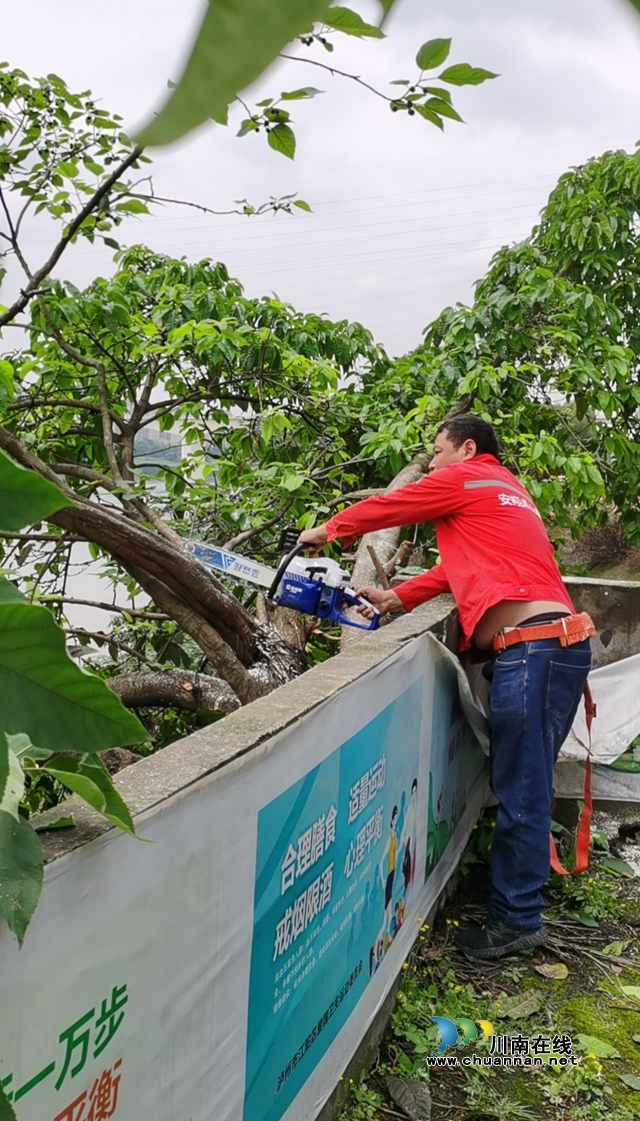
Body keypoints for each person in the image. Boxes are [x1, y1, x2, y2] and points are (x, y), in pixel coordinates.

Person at [298, 414, 594, 959]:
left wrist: (329, 530)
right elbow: (469, 571)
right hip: (558, 647)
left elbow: (394, 504)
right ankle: (517, 904)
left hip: (534, 650)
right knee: (526, 784)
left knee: (522, 789)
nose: (431, 464)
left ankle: (517, 919)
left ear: (467, 448)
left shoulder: (466, 476)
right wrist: (400, 597)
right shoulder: (508, 491)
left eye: (437, 452)